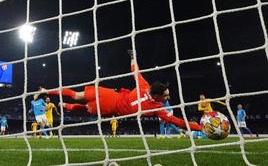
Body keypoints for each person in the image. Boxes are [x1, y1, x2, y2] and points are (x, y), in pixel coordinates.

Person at [39, 51, 201, 131]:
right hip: (112, 97)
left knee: (87, 107)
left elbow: (178, 122)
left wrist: (199, 127)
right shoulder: (151, 96)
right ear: (157, 95)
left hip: (111, 104)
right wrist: (132, 57)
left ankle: (66, 105)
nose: (168, 97)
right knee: (77, 95)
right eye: (166, 95)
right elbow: (135, 71)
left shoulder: (153, 100)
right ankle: (49, 91)